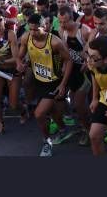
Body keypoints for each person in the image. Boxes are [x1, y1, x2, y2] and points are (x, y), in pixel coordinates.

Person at [17, 13, 73, 157]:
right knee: (51, 113)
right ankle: (56, 134)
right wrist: (20, 64)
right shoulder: (26, 37)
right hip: (39, 80)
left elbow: (69, 60)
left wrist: (63, 84)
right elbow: (20, 56)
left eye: (36, 30)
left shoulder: (55, 42)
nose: (33, 33)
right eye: (31, 29)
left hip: (54, 82)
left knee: (41, 113)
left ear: (45, 27)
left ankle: (51, 138)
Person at [58, 5, 92, 145]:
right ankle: (84, 125)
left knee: (79, 103)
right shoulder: (62, 31)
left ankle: (89, 132)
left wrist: (88, 61)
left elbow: (95, 51)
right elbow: (67, 55)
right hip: (72, 71)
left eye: (65, 21)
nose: (62, 25)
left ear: (72, 19)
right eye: (60, 21)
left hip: (86, 73)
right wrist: (65, 67)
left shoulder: (84, 31)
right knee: (69, 102)